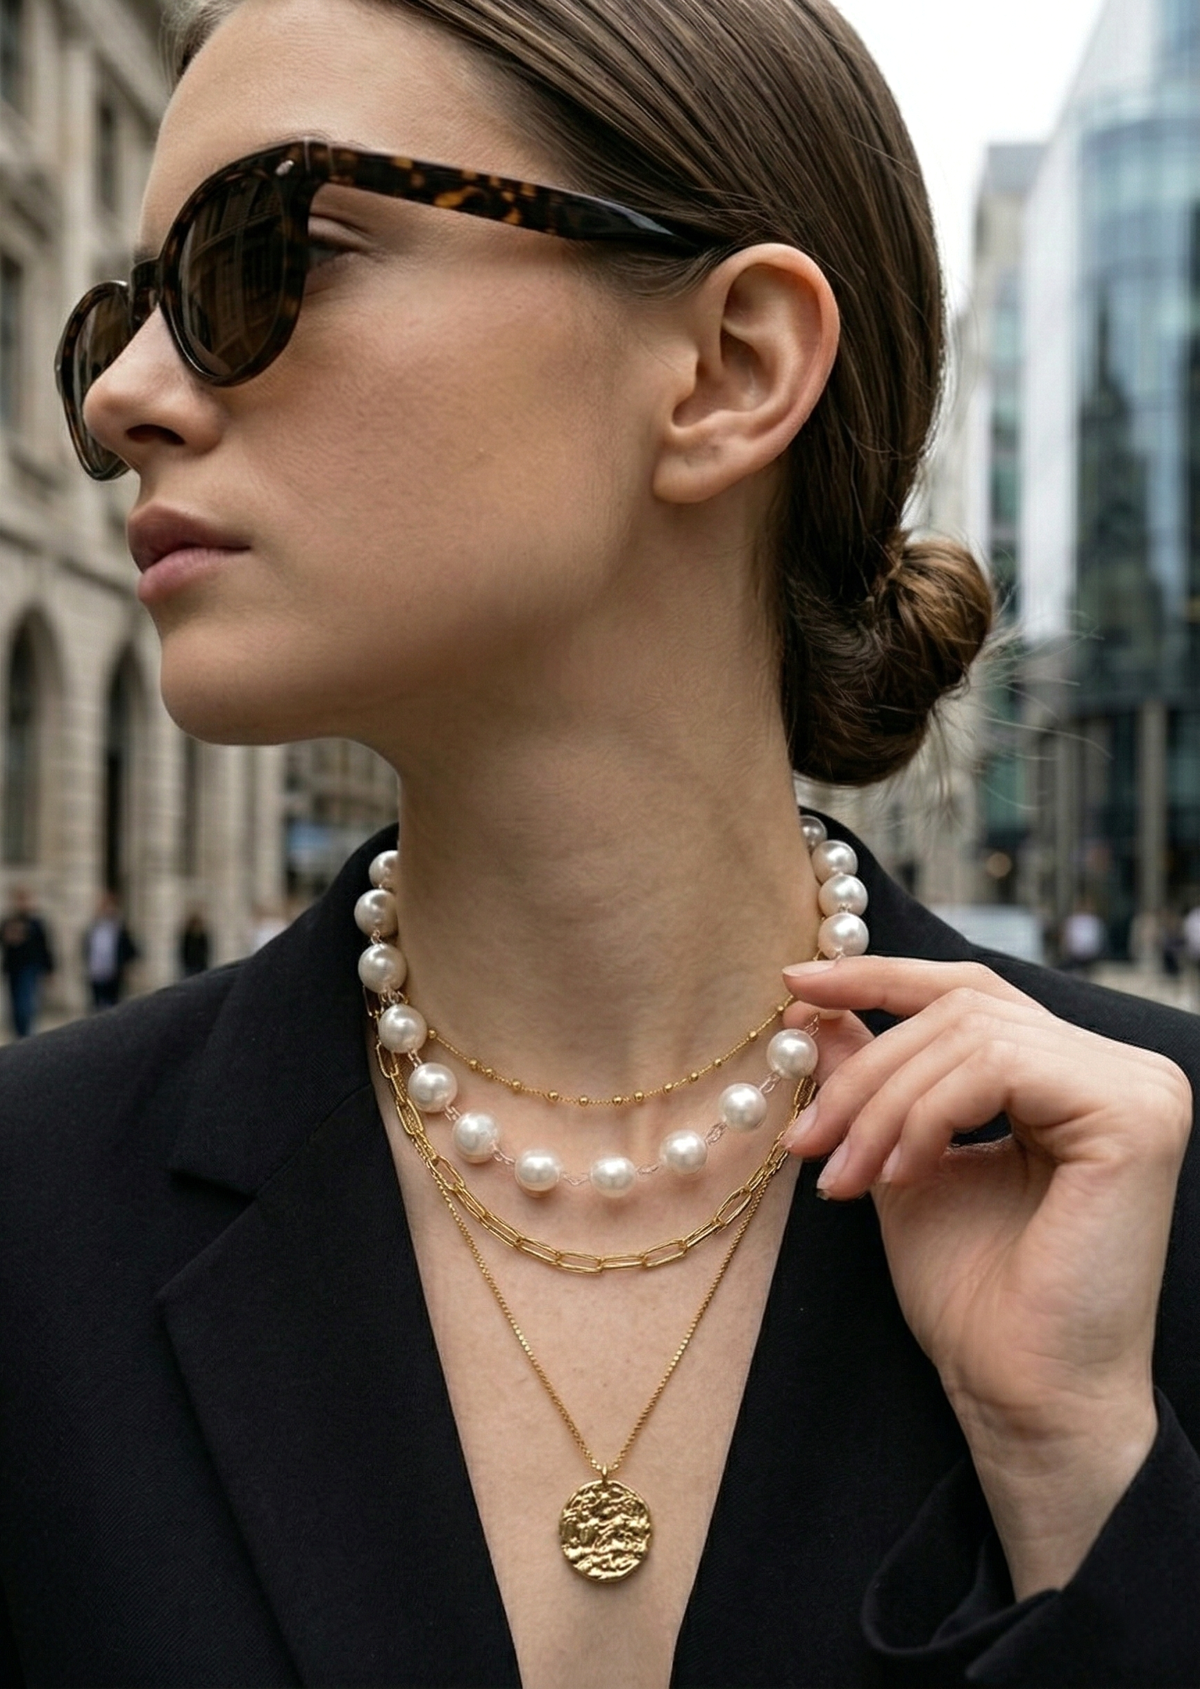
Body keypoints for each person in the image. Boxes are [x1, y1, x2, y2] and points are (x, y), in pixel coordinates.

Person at [0, 1, 1196, 1684]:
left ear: (727, 368)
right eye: (114, 320)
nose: (126, 396)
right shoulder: (32, 1209)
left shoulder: (1150, 1199)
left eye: (270, 254)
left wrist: (1079, 1481)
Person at [0, 889, 54, 1039]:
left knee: (26, 1005)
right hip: (13, 969)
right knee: (15, 1006)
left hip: (30, 968)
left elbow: (45, 947)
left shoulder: (36, 923)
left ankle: (27, 1035)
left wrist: (49, 970)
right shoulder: (8, 922)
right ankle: (19, 1035)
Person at [82, 891, 140, 1010]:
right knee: (96, 1005)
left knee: (114, 1005)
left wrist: (126, 965)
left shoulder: (120, 929)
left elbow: (131, 949)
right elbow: (87, 948)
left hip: (113, 972)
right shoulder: (93, 928)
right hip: (96, 972)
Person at [178, 910, 212, 977]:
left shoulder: (202, 936)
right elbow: (184, 949)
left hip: (200, 963)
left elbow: (206, 949)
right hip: (190, 964)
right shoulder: (187, 935)